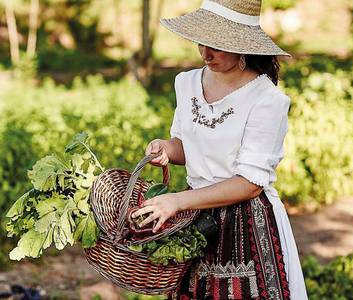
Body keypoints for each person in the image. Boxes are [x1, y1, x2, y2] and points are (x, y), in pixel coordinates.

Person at [132, 0, 308, 299]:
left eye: (216, 44)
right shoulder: (186, 82)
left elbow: (250, 184)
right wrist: (167, 149)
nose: (205, 53)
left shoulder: (267, 99)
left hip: (245, 222)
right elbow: (186, 147)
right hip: (194, 217)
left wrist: (178, 201)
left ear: (243, 46)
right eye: (201, 42)